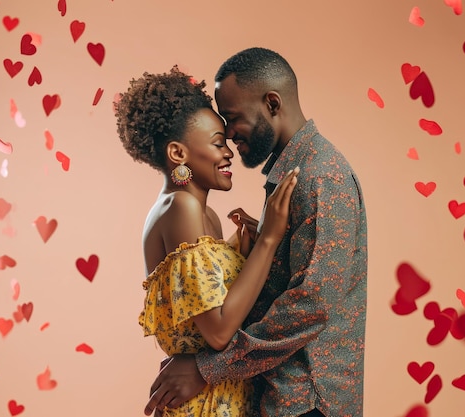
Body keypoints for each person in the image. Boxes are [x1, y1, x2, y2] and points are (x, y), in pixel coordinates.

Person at [144, 48, 368, 417]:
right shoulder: (290, 176)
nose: (230, 136)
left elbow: (311, 303)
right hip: (277, 394)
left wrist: (209, 367)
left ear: (272, 103)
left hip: (307, 399)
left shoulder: (320, 176)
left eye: (232, 119)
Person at [114, 66, 299, 416]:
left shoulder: (205, 214)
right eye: (217, 143)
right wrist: (269, 239)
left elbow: (210, 295)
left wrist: (240, 248)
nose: (229, 152)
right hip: (203, 406)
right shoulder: (180, 206)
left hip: (223, 397)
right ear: (178, 154)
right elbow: (217, 332)